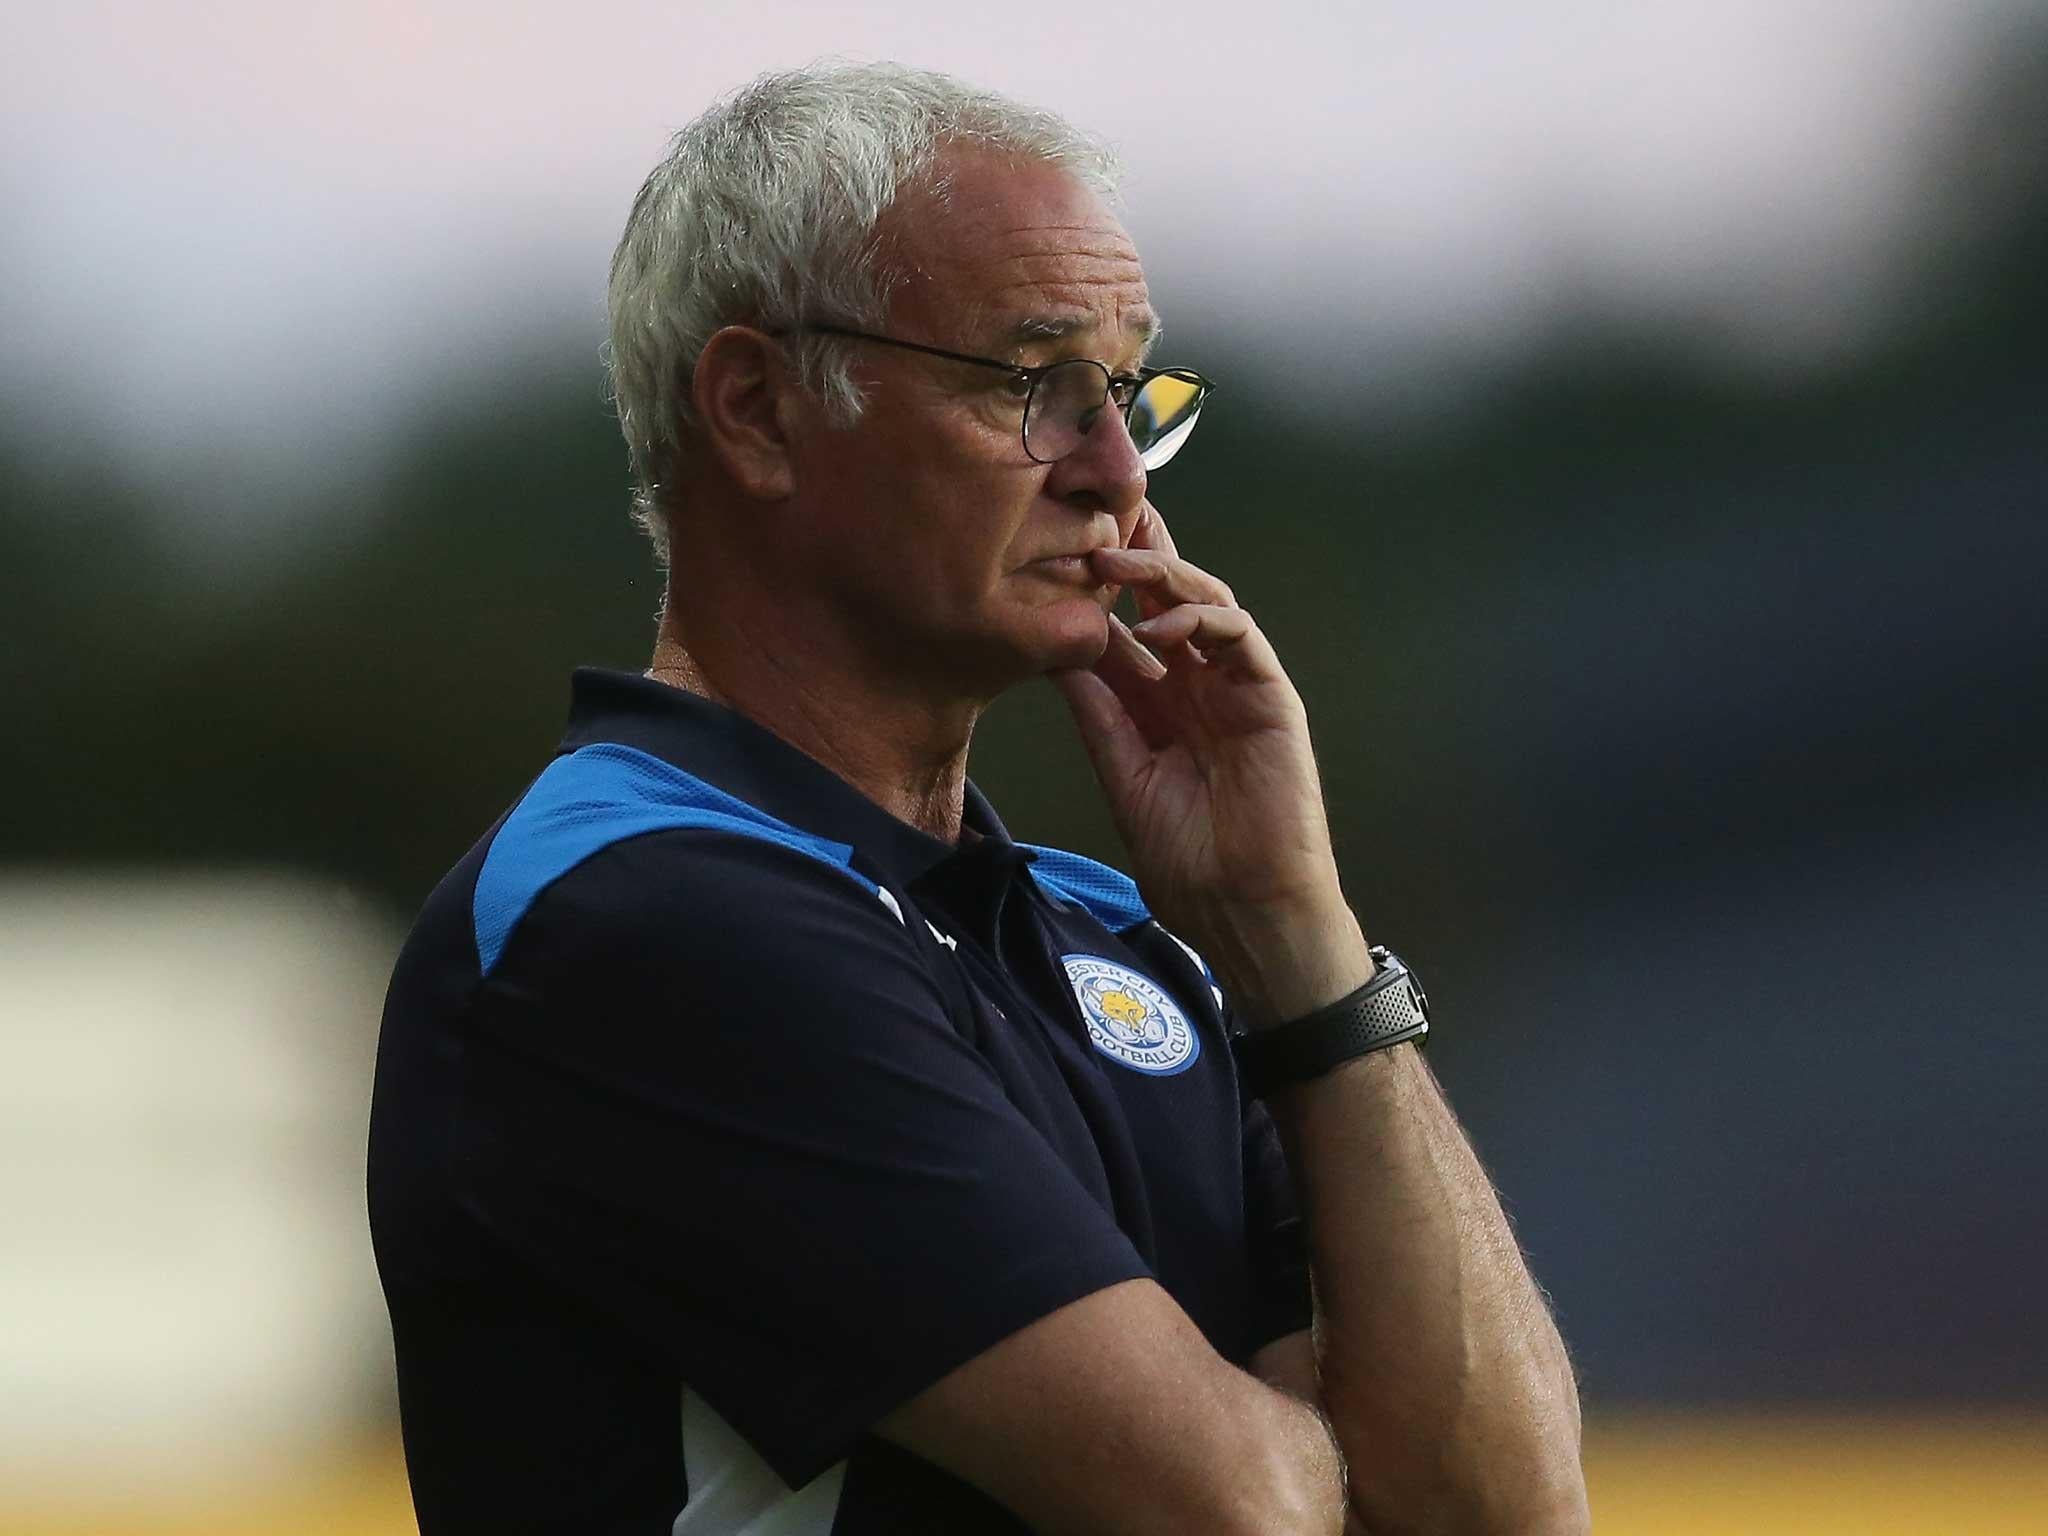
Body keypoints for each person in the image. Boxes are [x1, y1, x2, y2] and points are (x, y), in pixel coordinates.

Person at [367, 61, 1588, 1536]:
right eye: (1036, 386)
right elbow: (1228, 1513)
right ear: (756, 409)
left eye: (1130, 393)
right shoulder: (641, 906)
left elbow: (1501, 1512)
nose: (1117, 473)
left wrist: (1297, 943)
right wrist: (1339, 1455)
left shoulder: (1125, 937)